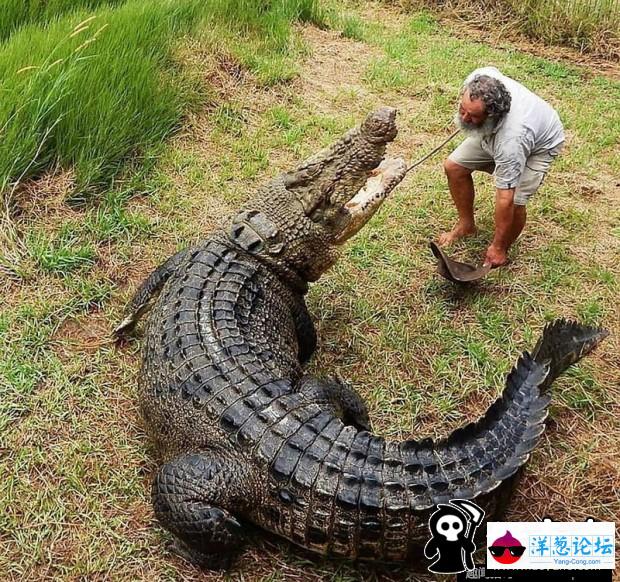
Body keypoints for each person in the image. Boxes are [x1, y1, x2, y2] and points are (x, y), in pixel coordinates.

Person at [439, 66, 565, 267]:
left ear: (491, 116)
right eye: (462, 109)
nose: (464, 119)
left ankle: (501, 249)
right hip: (496, 131)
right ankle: (466, 225)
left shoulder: (512, 141)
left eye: (472, 116)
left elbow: (505, 198)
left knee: (515, 201)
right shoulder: (477, 78)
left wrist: (497, 246)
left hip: (540, 145)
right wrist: (471, 114)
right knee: (454, 167)